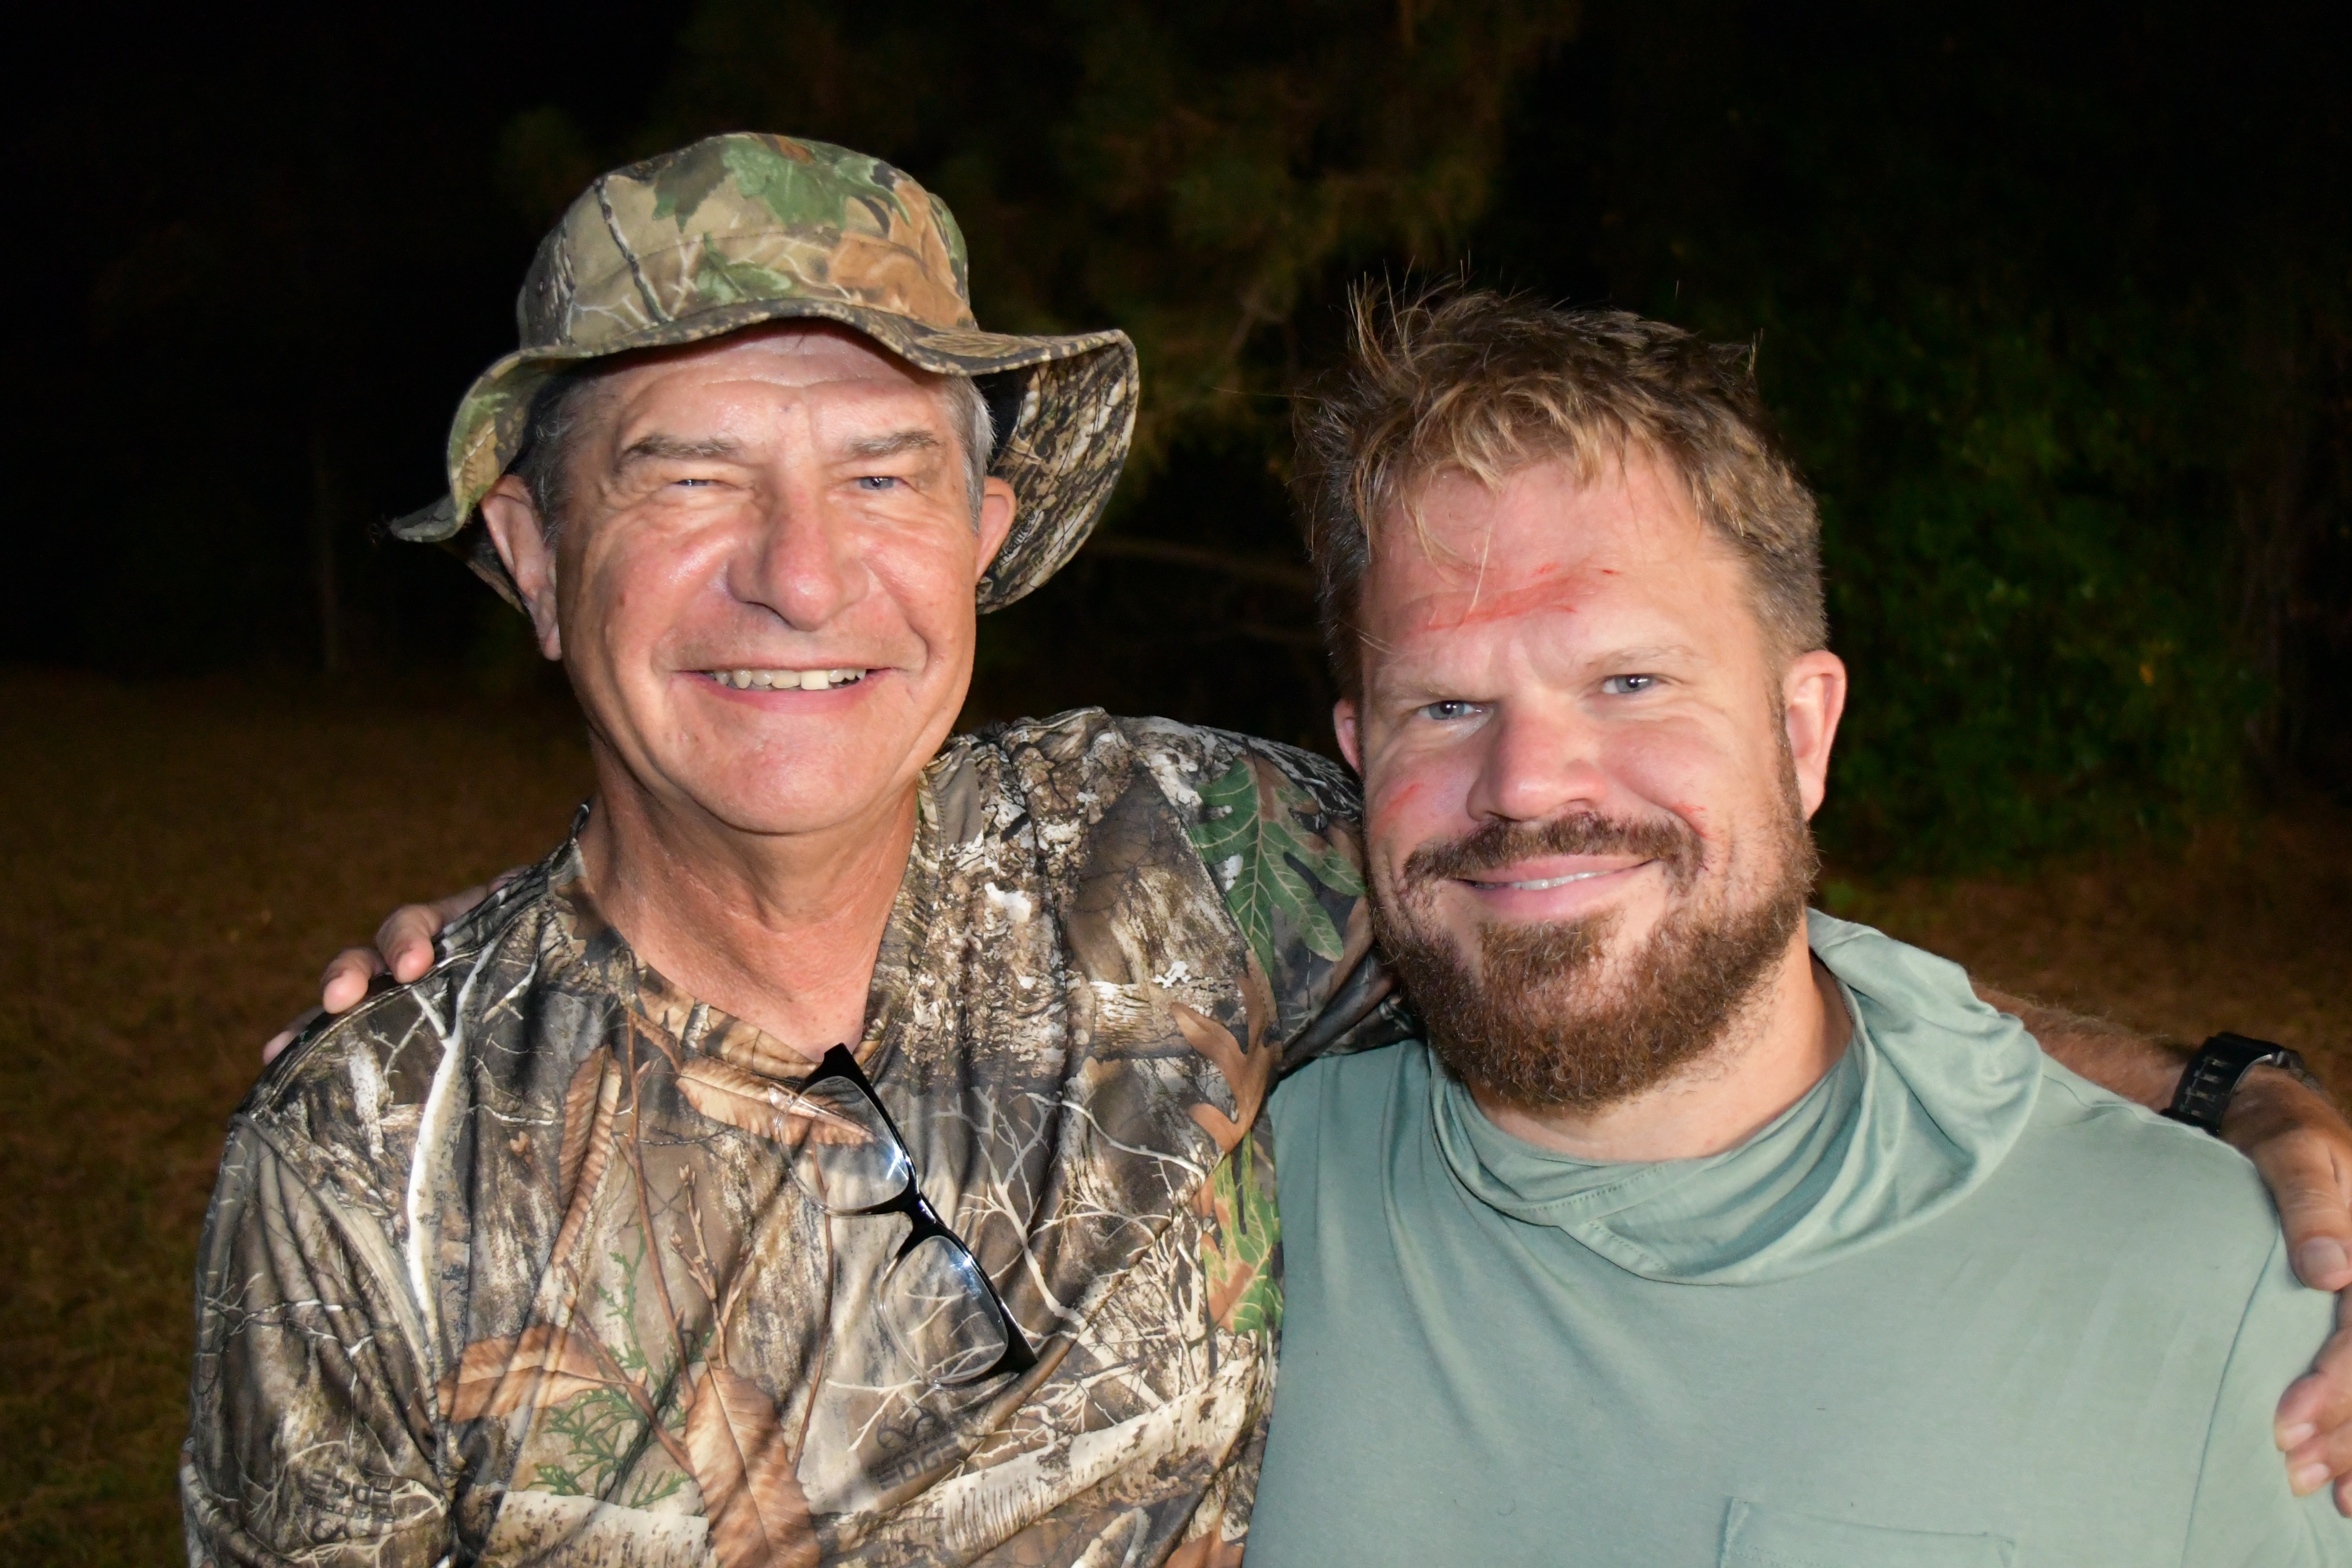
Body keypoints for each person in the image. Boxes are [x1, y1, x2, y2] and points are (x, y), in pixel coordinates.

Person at [209, 134, 2352, 1568]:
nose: (799, 570)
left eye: (880, 472)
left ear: (982, 534)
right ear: (534, 550)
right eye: (688, 473)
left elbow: (1638, 901)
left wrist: (2230, 1096)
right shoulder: (366, 1162)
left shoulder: (1181, 861)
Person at [1241, 287, 2352, 1563]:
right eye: (1443, 706)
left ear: (1802, 732)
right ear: (1357, 750)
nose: (1528, 785)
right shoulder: (1208, 1196)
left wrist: (2222, 1091)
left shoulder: (2220, 1298)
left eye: (1630, 681)